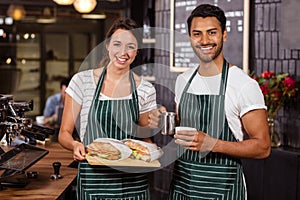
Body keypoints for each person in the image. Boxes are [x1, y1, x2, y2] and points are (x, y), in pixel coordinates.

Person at [164, 4, 270, 199]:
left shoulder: (243, 84)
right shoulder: (183, 80)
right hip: (182, 187)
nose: (204, 40)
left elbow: (262, 147)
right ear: (190, 38)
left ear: (224, 35)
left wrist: (212, 143)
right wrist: (164, 121)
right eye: (197, 34)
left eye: (212, 32)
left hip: (223, 191)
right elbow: (184, 128)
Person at [58, 18, 157, 199]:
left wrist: (151, 148)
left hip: (133, 184)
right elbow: (64, 132)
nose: (123, 52)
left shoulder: (145, 88)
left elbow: (144, 136)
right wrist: (74, 144)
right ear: (108, 46)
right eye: (117, 44)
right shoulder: (82, 82)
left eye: (131, 46)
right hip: (94, 181)